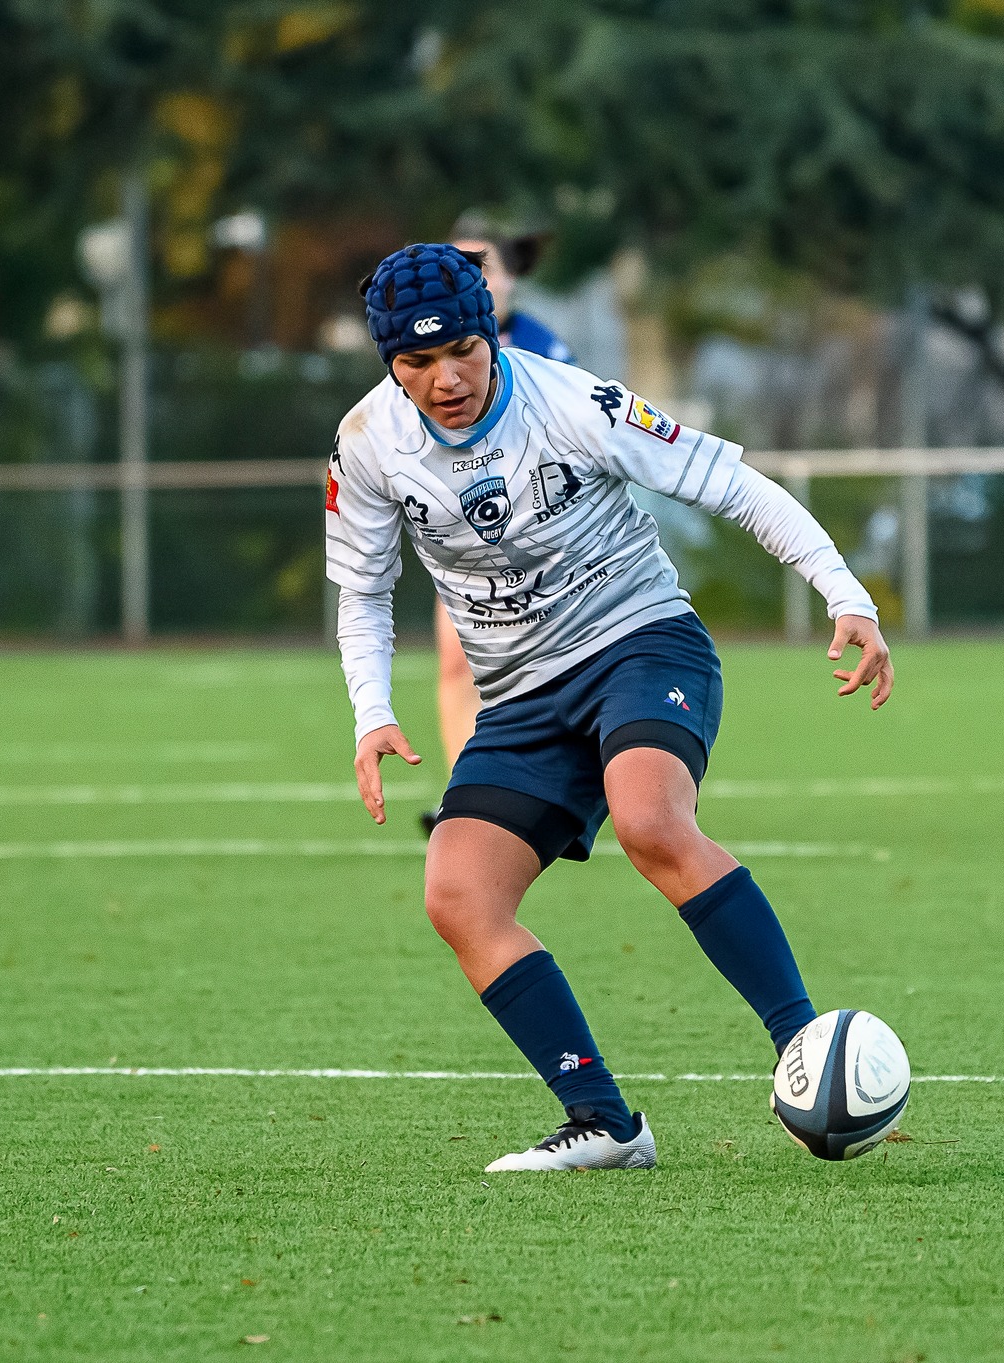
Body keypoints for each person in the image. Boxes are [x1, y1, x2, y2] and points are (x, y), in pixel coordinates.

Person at [326, 243, 892, 1173]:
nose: (444, 378)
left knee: (648, 817)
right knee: (458, 893)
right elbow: (361, 591)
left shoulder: (573, 403)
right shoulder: (366, 440)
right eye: (415, 363)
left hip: (640, 643)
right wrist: (370, 709)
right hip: (518, 697)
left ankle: (803, 1043)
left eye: (462, 349)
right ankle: (603, 1121)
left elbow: (731, 483)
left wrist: (845, 593)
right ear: (389, 362)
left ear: (492, 333)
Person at [420, 216, 578, 833]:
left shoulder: (544, 349)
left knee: (560, 667)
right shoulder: (423, 355)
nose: (474, 280)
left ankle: (583, 786)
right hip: (463, 540)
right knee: (459, 666)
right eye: (458, 267)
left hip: (544, 541)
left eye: (483, 266)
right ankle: (469, 802)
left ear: (510, 278)